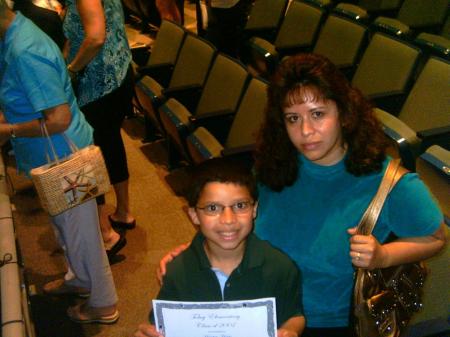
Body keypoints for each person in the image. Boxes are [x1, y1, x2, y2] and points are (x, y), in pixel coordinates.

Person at [157, 53, 447, 337]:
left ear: (344, 114)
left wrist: (383, 256)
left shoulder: (389, 181)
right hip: (259, 306)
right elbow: (235, 216)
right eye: (293, 118)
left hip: (329, 324)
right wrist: (196, 251)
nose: (306, 131)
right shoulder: (275, 164)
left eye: (318, 114)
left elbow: (436, 237)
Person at [0, 1, 119, 323]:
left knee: (84, 238)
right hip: (52, 156)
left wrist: (8, 130)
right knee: (68, 232)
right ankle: (79, 280)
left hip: (64, 157)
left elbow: (59, 119)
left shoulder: (25, 50)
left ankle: (104, 304)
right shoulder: (16, 33)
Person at [135, 157, 305, 337]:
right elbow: (161, 321)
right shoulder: (177, 271)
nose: (228, 220)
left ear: (254, 209)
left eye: (240, 205)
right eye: (213, 208)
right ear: (193, 214)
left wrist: (291, 331)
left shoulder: (280, 266)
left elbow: (294, 314)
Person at [63, 0, 136, 258]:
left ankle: (106, 235)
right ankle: (123, 212)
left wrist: (71, 70)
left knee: (90, 154)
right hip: (117, 74)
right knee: (110, 142)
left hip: (100, 84)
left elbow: (94, 38)